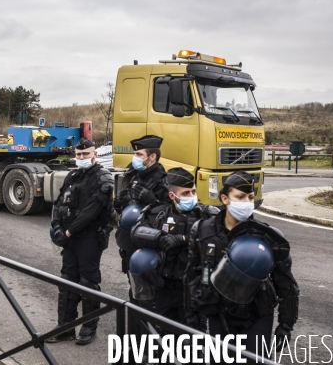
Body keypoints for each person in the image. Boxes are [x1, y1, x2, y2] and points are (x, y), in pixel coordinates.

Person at [184, 171, 299, 362]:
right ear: (224, 198)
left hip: (256, 315)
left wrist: (286, 324)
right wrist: (192, 320)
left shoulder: (268, 236)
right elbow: (191, 275)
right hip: (218, 312)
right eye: (240, 197)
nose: (247, 202)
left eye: (250, 197)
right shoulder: (203, 230)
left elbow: (286, 282)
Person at [47, 137, 114, 345]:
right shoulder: (73, 176)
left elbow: (91, 212)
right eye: (79, 154)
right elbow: (58, 204)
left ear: (95, 154)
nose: (82, 157)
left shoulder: (103, 177)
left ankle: (88, 327)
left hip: (90, 238)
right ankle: (65, 327)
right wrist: (57, 227)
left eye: (86, 154)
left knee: (88, 283)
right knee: (67, 281)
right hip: (69, 239)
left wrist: (67, 233)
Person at [131, 167, 218, 324]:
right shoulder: (160, 214)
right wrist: (158, 237)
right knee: (163, 337)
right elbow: (136, 232)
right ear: (172, 195)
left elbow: (219, 240)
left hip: (193, 289)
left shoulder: (207, 215)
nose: (191, 196)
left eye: (193, 192)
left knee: (192, 340)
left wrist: (183, 239)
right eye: (185, 193)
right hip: (165, 288)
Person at [113, 135, 169, 299]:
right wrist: (121, 202)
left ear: (152, 157)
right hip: (130, 243)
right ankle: (135, 324)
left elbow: (171, 214)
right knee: (135, 292)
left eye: (139, 155)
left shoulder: (163, 181)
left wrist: (152, 200)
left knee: (150, 297)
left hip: (150, 246)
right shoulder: (136, 177)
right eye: (135, 154)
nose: (135, 158)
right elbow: (124, 209)